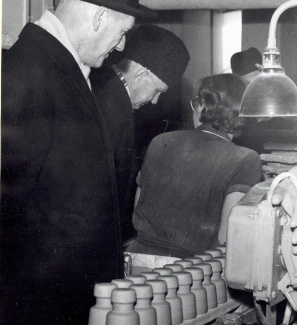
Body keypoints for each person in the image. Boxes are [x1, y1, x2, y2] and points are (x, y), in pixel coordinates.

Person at [1, 0, 156, 324]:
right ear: (100, 17)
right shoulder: (27, 72)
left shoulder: (65, 71)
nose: (122, 45)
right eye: (123, 32)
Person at [126, 73, 263, 258]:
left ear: (202, 107)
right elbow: (228, 236)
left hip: (136, 262)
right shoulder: (246, 158)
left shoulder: (160, 141)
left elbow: (138, 207)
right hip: (191, 273)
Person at [90, 24, 190, 242]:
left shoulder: (102, 92)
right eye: (156, 91)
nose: (154, 101)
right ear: (140, 75)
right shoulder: (115, 110)